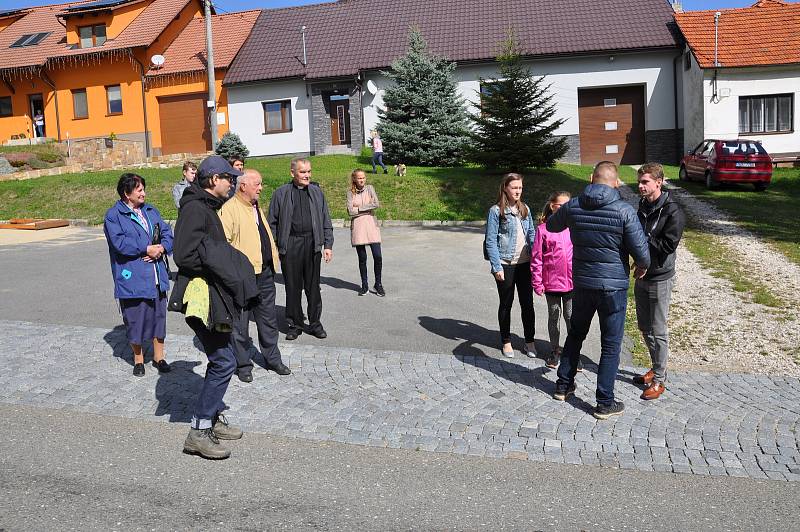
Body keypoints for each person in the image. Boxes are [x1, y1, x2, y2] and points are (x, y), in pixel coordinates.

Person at [169, 155, 257, 459]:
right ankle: (198, 431)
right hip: (201, 297)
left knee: (223, 357)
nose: (232, 182)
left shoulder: (207, 207)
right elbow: (183, 254)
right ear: (211, 181)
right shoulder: (195, 208)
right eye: (227, 178)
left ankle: (212, 418)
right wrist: (217, 264)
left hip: (211, 295)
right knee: (223, 361)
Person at [547, 161, 650, 420]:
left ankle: (563, 385)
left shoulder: (574, 206)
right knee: (611, 344)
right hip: (612, 287)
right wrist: (641, 266)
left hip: (582, 283)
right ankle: (604, 401)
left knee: (576, 334)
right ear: (616, 182)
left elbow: (551, 226)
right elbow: (642, 254)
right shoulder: (624, 211)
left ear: (592, 178)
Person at [219, 168, 291, 382]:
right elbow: (224, 246)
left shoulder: (255, 206)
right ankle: (243, 364)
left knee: (268, 319)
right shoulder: (229, 210)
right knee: (240, 324)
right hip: (243, 277)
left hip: (265, 273)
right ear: (243, 186)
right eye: (257, 184)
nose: (261, 188)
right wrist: (235, 274)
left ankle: (272, 359)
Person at [103, 173, 173, 377]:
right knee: (136, 319)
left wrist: (161, 247)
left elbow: (168, 233)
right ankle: (139, 359)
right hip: (132, 276)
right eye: (139, 189)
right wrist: (146, 248)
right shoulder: (113, 216)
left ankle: (159, 358)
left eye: (143, 188)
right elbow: (119, 244)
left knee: (159, 317)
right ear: (127, 193)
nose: (144, 193)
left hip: (156, 274)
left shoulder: (151, 211)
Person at [633, 163, 685, 400]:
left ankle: (660, 380)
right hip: (642, 273)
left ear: (659, 182)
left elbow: (667, 246)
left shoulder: (673, 211)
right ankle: (655, 365)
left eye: (645, 182)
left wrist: (643, 237)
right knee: (644, 327)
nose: (641, 186)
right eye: (640, 181)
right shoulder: (642, 205)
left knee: (659, 329)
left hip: (660, 277)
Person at [268, 158, 334, 341]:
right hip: (291, 245)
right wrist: (274, 247)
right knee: (293, 287)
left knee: (313, 288)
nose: (307, 175)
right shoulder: (280, 194)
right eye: (303, 172)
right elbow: (271, 224)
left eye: (309, 172)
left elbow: (325, 220)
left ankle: (315, 324)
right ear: (292, 173)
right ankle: (294, 324)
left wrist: (327, 245)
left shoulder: (317, 193)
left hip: (312, 244)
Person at [484, 173, 537, 358]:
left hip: (525, 265)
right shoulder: (495, 211)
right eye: (514, 187)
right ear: (505, 188)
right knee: (506, 303)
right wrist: (496, 266)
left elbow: (531, 234)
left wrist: (536, 255)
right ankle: (506, 341)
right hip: (505, 264)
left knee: (527, 304)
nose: (518, 191)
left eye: (520, 187)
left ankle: (529, 341)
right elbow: (490, 241)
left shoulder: (525, 209)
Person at [531, 191, 576, 370]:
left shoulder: (574, 226)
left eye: (568, 206)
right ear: (552, 206)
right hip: (551, 283)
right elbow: (536, 258)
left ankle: (573, 352)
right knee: (554, 316)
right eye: (561, 205)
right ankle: (555, 350)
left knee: (571, 317)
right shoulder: (543, 229)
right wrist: (537, 282)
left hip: (572, 283)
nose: (566, 209)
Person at [347, 168, 384, 296]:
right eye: (359, 178)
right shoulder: (350, 193)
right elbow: (350, 211)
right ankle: (364, 285)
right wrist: (366, 209)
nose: (362, 180)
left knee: (377, 256)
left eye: (363, 177)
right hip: (358, 227)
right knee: (362, 258)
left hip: (371, 225)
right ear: (355, 179)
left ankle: (378, 284)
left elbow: (376, 204)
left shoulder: (370, 188)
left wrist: (359, 209)